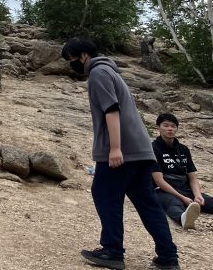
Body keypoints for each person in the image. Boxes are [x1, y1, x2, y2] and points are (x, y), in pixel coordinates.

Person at [61, 38, 179, 270]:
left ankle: (113, 250)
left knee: (105, 194)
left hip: (123, 151)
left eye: (71, 59)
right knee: (148, 203)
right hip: (141, 150)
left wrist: (115, 148)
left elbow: (111, 110)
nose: (71, 64)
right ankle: (168, 257)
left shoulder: (98, 73)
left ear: (83, 55)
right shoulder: (111, 71)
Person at [151, 112, 212, 230]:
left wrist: (197, 195)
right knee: (174, 204)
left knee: (207, 201)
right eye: (166, 125)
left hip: (184, 187)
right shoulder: (153, 148)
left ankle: (191, 204)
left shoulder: (183, 149)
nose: (170, 129)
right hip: (163, 190)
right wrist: (181, 197)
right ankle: (183, 219)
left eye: (173, 126)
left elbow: (192, 177)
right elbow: (158, 180)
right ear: (158, 127)